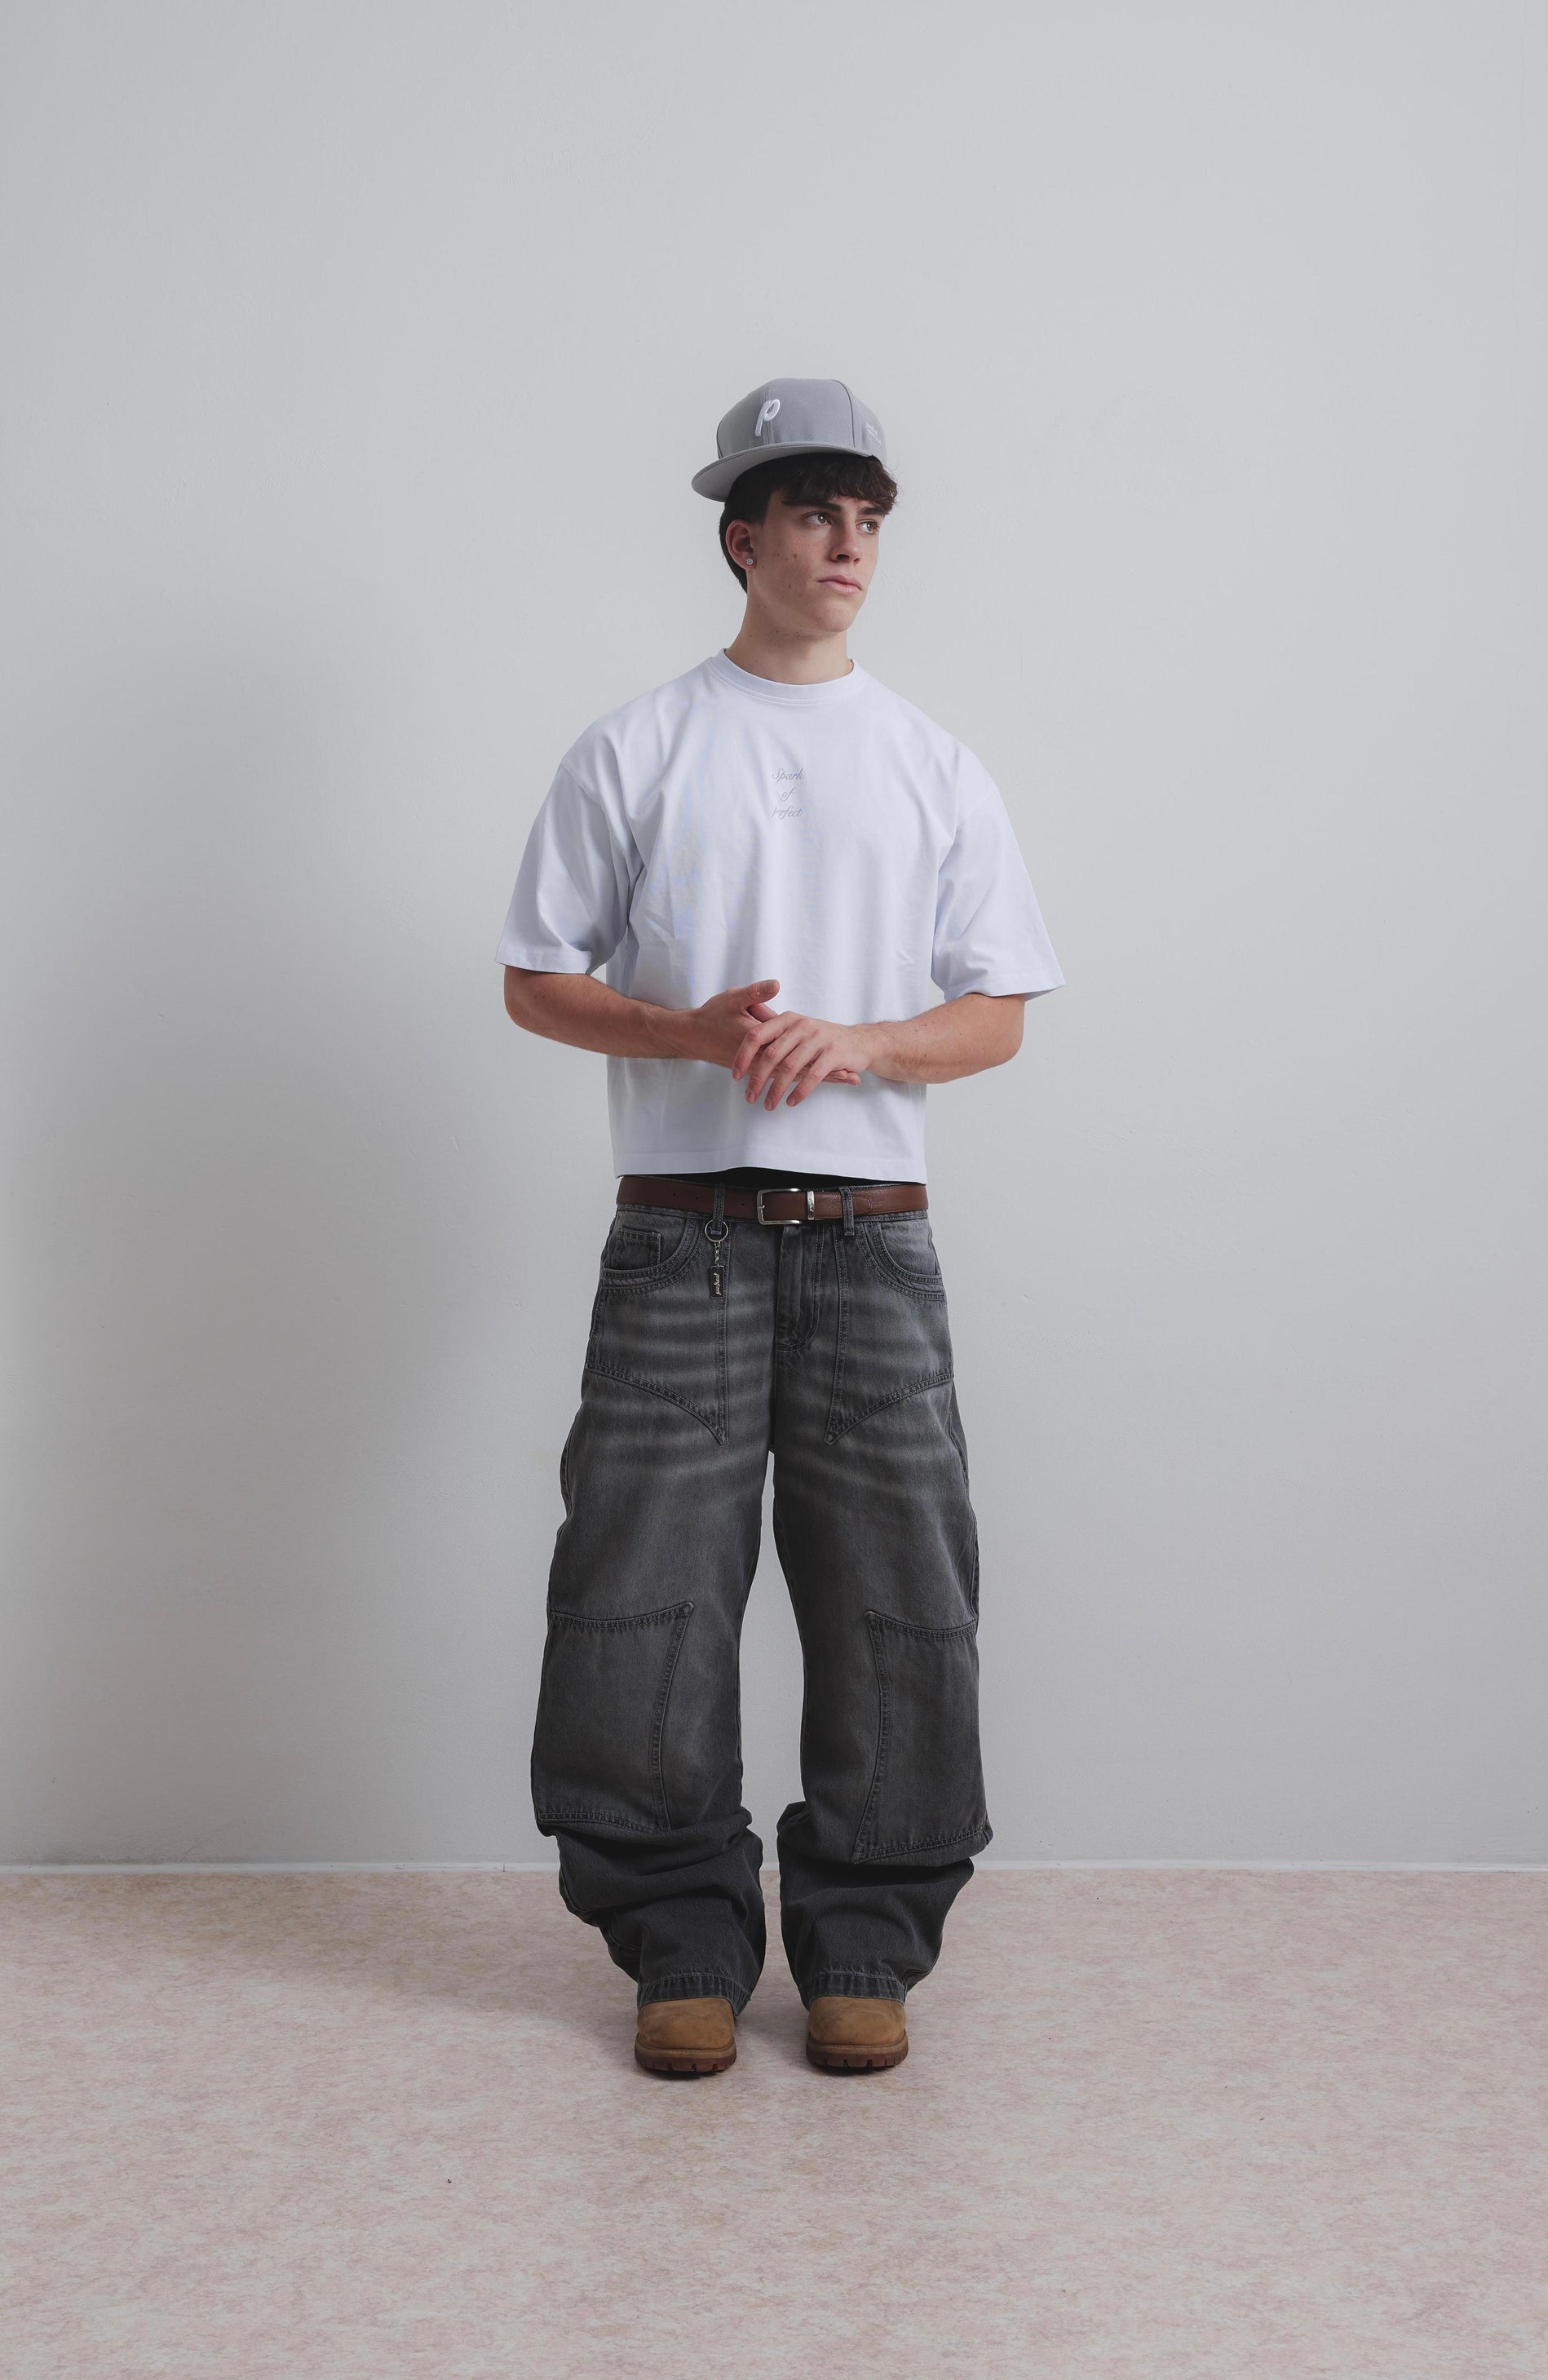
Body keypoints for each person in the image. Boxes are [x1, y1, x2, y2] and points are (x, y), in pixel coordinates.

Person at [496, 378, 1063, 2077]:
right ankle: (677, 1938)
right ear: (742, 539)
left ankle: (863, 1940)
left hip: (871, 1238)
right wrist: (684, 1032)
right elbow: (534, 980)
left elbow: (999, 1011)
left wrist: (866, 1043)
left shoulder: (931, 761)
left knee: (901, 1591)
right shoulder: (637, 746)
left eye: (867, 518)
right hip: (680, 1238)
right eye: (813, 513)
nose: (846, 544)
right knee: (639, 1592)